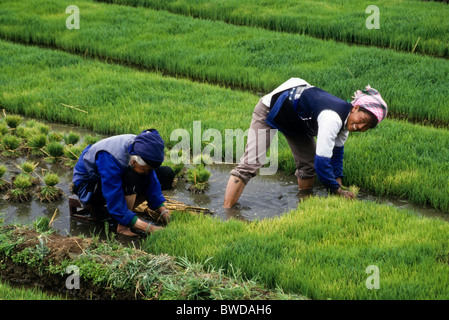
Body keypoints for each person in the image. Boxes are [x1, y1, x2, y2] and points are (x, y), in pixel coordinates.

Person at [223, 78, 387, 208]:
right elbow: (322, 161)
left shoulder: (345, 124)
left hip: (297, 119)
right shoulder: (332, 118)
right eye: (363, 120)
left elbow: (336, 157)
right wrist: (336, 190)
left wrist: (340, 190)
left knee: (308, 167)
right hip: (271, 108)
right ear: (355, 108)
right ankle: (227, 212)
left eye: (367, 127)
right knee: (252, 163)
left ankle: (305, 207)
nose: (361, 126)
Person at [72, 129, 175, 236]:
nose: (147, 172)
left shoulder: (142, 147)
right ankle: (123, 226)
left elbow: (152, 182)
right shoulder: (110, 157)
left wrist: (164, 213)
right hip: (88, 186)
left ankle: (127, 215)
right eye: (146, 169)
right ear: (134, 161)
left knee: (165, 173)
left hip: (113, 178)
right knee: (132, 177)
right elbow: (112, 194)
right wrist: (150, 228)